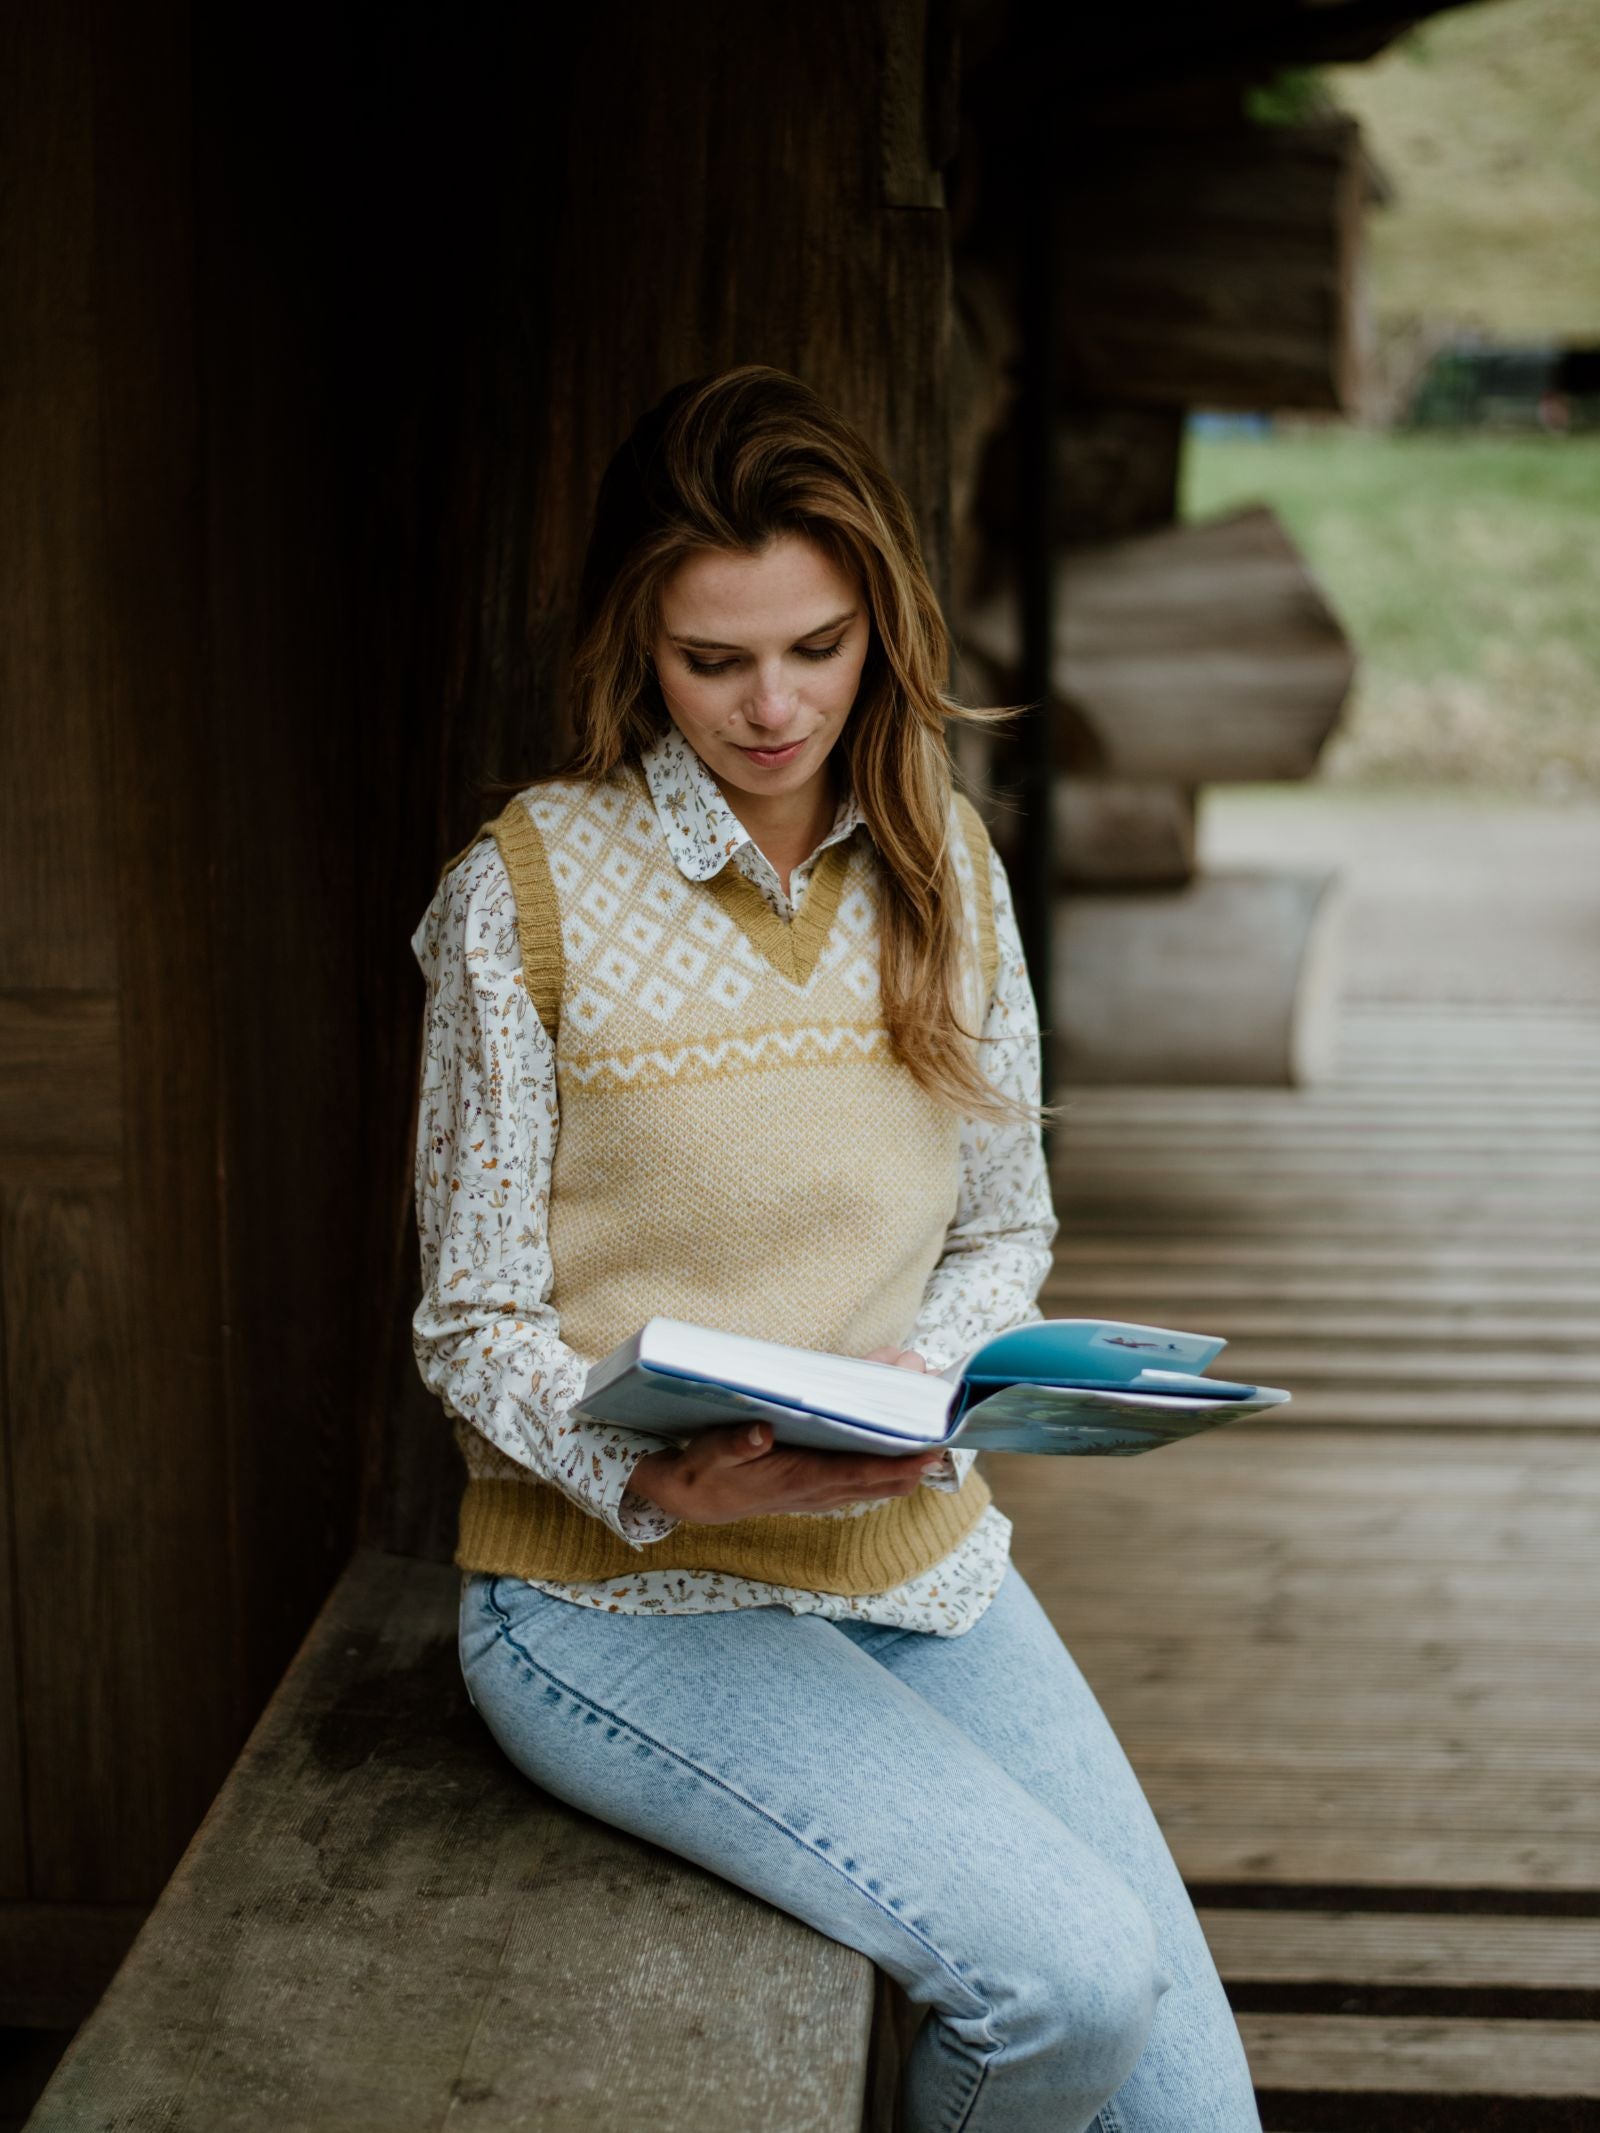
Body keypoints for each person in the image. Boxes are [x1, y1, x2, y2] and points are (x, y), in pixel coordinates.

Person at [410, 365, 1260, 2133]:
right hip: (615, 1592)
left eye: (816, 645)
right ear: (637, 640)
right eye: (713, 660)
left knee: (1197, 2113)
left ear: (879, 619)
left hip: (914, 1551)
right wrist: (658, 1489)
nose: (773, 703)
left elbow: (1004, 1218)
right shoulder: (529, 893)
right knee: (1061, 1985)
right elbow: (472, 1319)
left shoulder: (946, 862)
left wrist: (928, 1374)